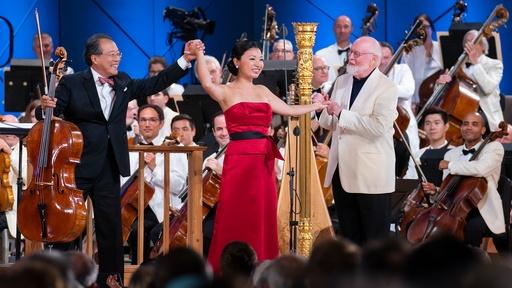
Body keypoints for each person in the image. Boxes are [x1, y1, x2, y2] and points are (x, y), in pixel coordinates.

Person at [39, 33, 201, 287]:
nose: (118, 58)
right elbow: (52, 112)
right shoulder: (72, 82)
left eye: (118, 54)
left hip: (110, 165)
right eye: (112, 53)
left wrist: (184, 59)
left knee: (110, 227)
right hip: (76, 165)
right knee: (69, 224)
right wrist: (44, 106)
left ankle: (111, 279)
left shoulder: (123, 81)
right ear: (95, 58)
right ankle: (61, 277)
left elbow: (155, 83)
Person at [191, 39, 325, 272]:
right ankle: (228, 269)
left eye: (260, 59)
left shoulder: (262, 90)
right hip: (239, 158)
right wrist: (200, 54)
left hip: (263, 159)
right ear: (236, 62)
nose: (258, 64)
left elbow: (290, 110)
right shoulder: (225, 91)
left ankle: (263, 267)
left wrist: (316, 106)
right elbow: (205, 81)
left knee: (262, 216)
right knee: (234, 213)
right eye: (252, 58)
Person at [317, 36, 398, 245]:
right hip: (342, 170)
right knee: (350, 238)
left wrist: (341, 113)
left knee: (374, 241)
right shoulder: (343, 80)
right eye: (351, 53)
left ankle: (375, 278)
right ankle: (352, 277)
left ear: (374, 60)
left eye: (356, 54)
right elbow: (330, 123)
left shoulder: (386, 87)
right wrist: (324, 107)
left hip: (370, 174)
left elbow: (378, 127)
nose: (351, 58)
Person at [421, 112, 505, 248]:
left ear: (483, 130)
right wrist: (436, 191)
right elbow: (449, 189)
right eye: (465, 124)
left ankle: (471, 266)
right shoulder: (451, 153)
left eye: (475, 124)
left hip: (482, 208)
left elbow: (480, 169)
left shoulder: (494, 148)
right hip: (453, 208)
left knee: (471, 228)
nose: (469, 127)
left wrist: (450, 165)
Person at [123, 104, 187, 264]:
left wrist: (154, 168)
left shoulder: (174, 147)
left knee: (140, 229)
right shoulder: (129, 145)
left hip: (163, 209)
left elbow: (179, 186)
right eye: (143, 120)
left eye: (152, 120)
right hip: (133, 207)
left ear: (161, 123)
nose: (147, 124)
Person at [436, 29, 504, 131]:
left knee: (471, 123)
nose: (468, 45)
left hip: (486, 114)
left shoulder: (495, 64)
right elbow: (443, 95)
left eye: (473, 42)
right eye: (466, 43)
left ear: (482, 46)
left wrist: (476, 63)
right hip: (461, 112)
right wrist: (440, 84)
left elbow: (488, 88)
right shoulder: (458, 67)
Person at [379, 41, 419, 177]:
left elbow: (408, 91)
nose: (384, 62)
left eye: (387, 57)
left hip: (404, 125)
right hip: (381, 128)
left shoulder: (402, 69)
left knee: (409, 168)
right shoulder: (370, 75)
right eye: (380, 57)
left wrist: (379, 88)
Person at [401, 14, 443, 111]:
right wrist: (410, 103)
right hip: (416, 103)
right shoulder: (409, 50)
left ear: (431, 28)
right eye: (420, 27)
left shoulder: (440, 48)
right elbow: (405, 79)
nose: (424, 30)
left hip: (438, 101)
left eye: (426, 27)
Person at [404, 107, 452, 185]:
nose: (432, 127)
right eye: (428, 123)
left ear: (446, 126)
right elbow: (408, 181)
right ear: (424, 128)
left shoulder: (455, 153)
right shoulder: (417, 154)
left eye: (436, 123)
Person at [0, 115, 28, 240]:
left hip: (12, 208)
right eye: (6, 128)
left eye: (15, 129)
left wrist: (8, 151)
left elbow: (27, 177)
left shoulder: (26, 151)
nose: (11, 133)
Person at [315, 15, 353, 82]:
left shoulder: (359, 55)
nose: (342, 30)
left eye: (346, 26)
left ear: (351, 29)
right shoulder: (320, 54)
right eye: (338, 27)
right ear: (334, 29)